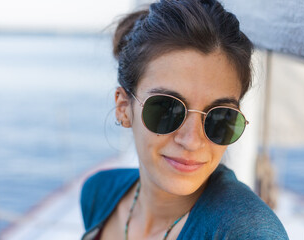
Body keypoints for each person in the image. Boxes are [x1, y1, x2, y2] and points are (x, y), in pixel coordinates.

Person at [81, 0, 289, 239]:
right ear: (123, 108)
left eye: (220, 117)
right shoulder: (98, 194)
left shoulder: (248, 232)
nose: (192, 141)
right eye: (167, 109)